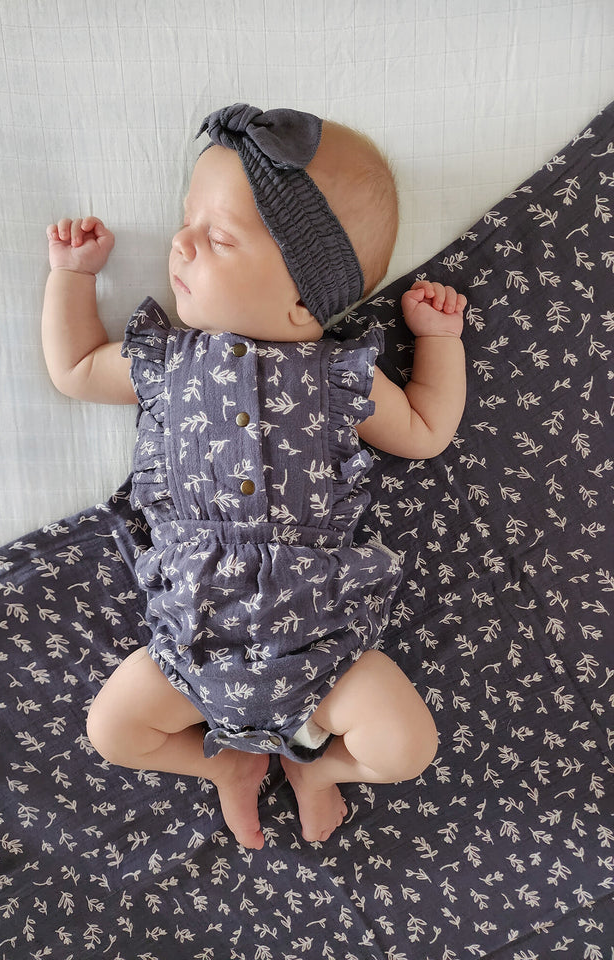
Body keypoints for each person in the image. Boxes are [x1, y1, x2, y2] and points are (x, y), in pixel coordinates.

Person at [43, 104, 467, 849]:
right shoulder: (166, 360)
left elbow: (428, 431)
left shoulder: (341, 376)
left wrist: (438, 341)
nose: (179, 243)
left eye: (219, 237)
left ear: (305, 298)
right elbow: (77, 369)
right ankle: (224, 767)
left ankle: (318, 767)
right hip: (189, 643)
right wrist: (71, 279)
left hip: (323, 654)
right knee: (111, 728)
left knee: (408, 747)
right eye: (187, 220)